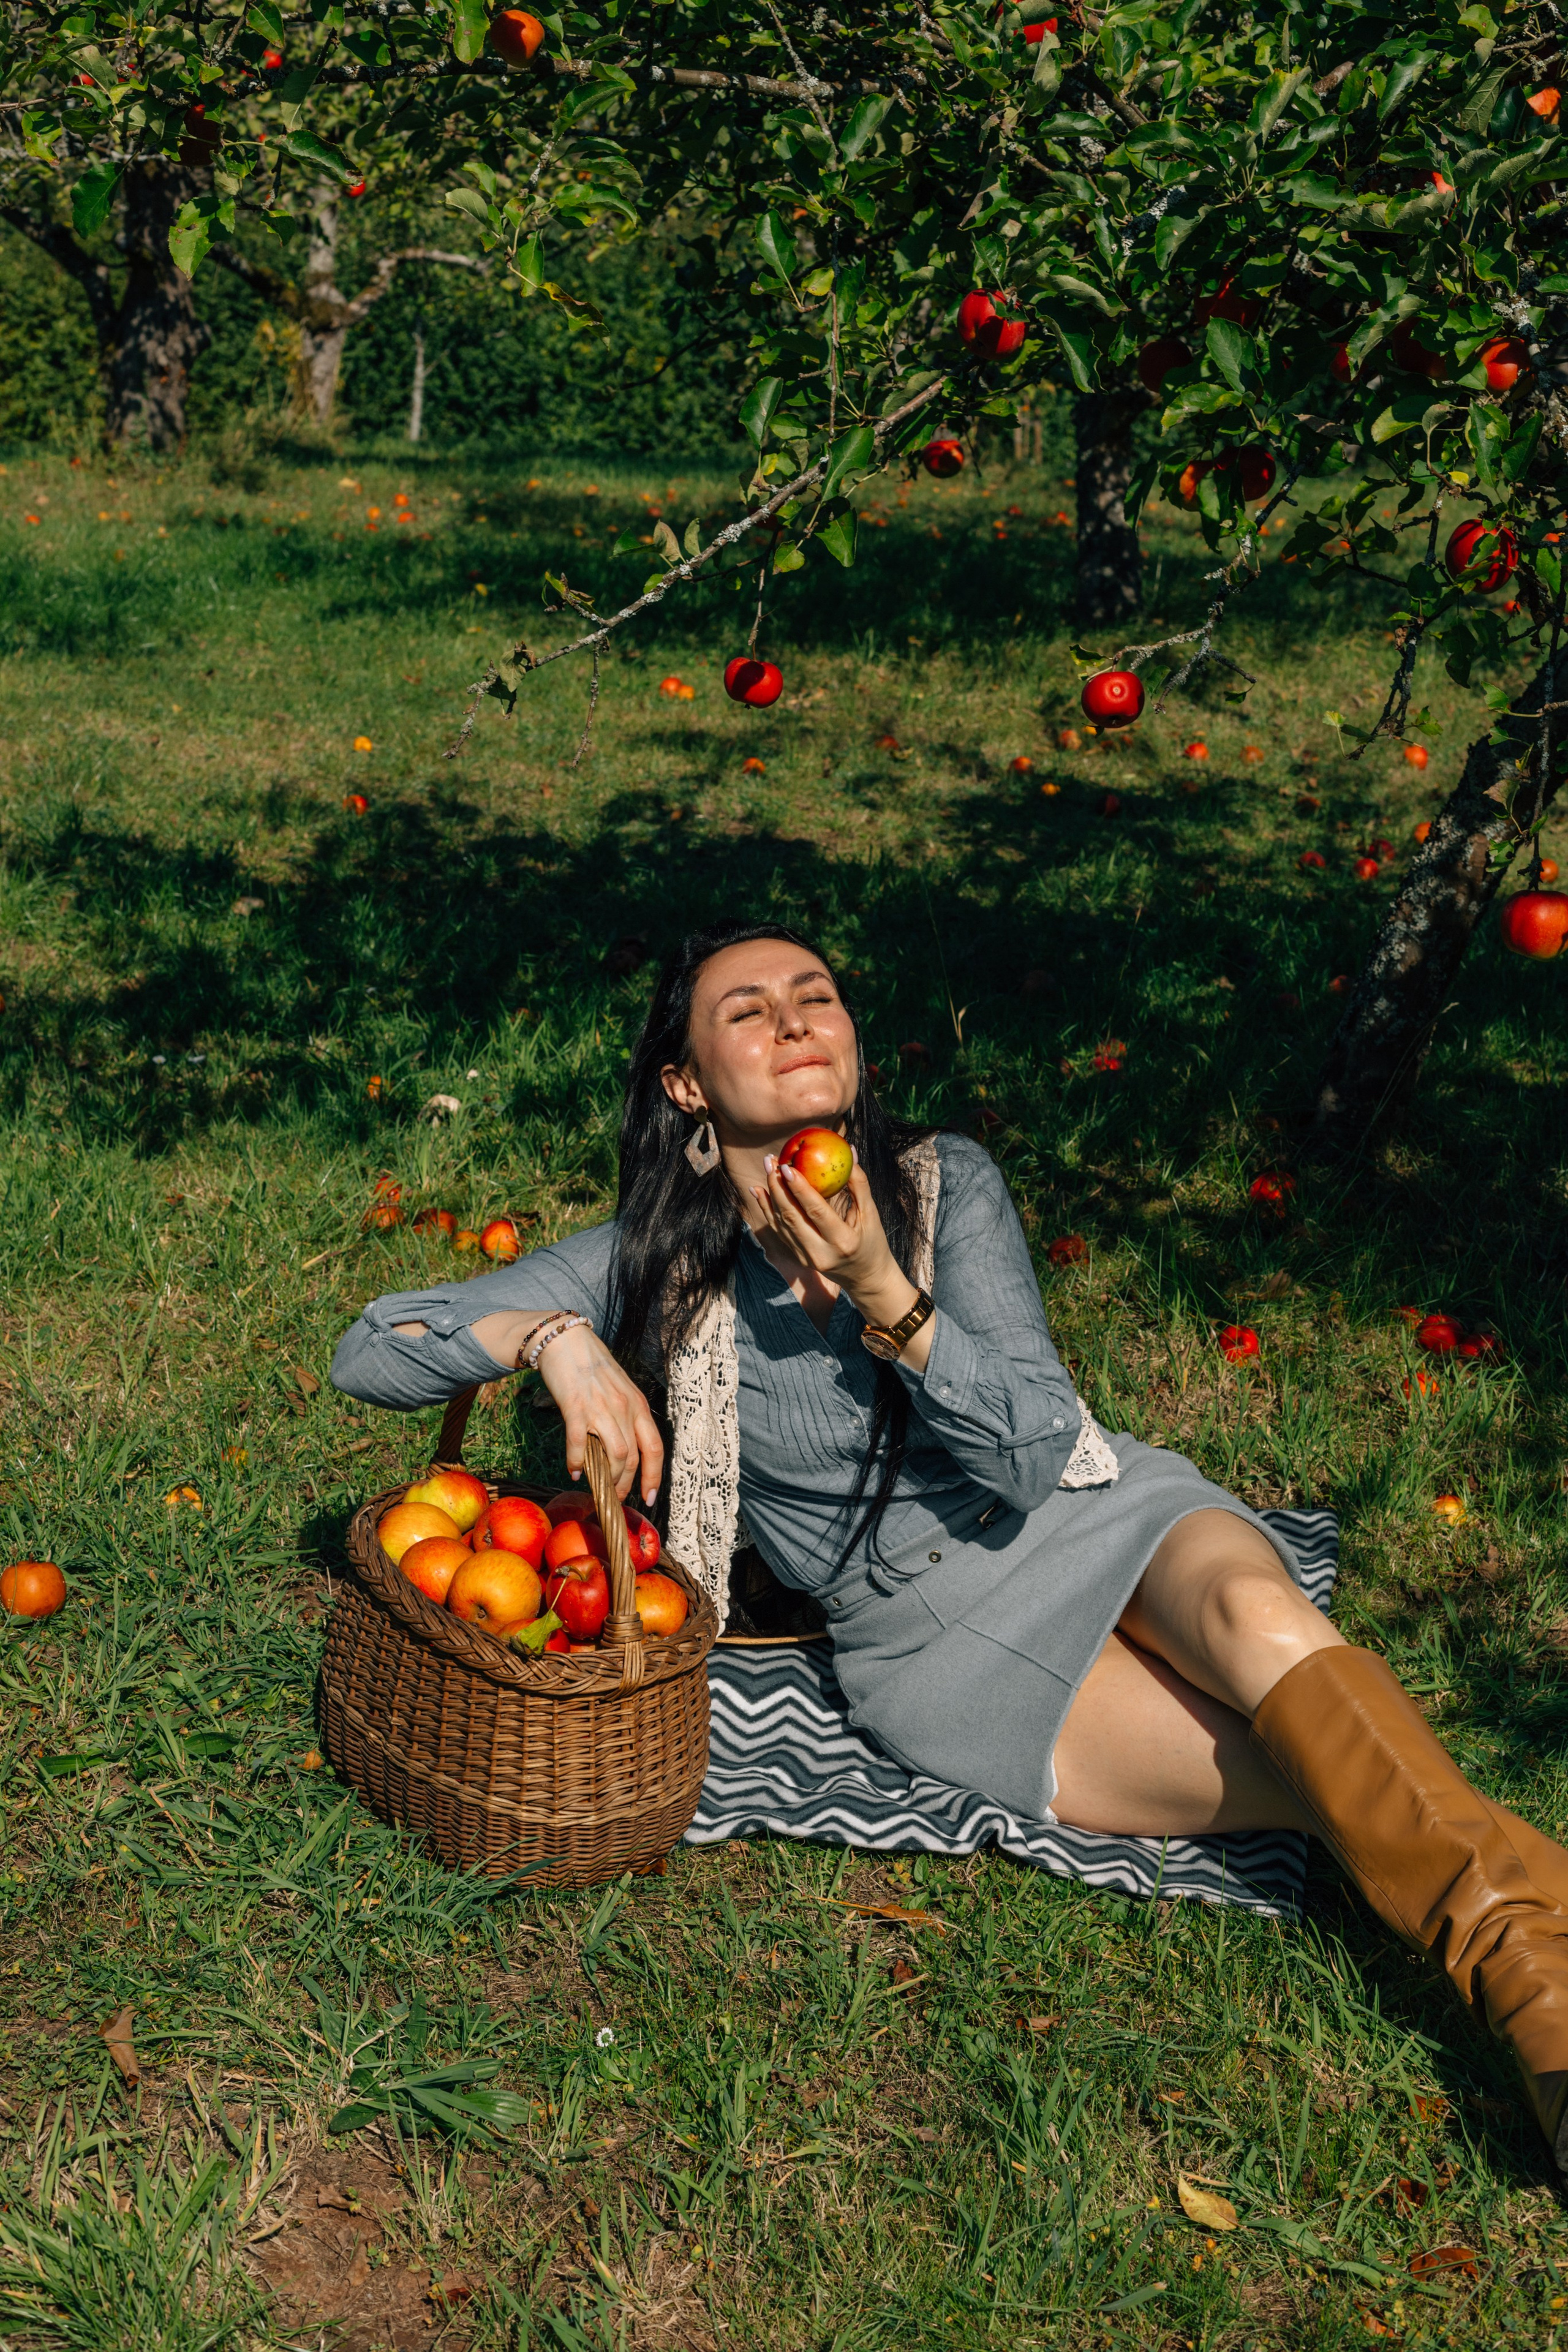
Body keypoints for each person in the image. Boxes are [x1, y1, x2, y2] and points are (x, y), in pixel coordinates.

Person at [333, 919, 1568, 2173]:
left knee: (1262, 1630)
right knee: (1312, 1778)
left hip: (1092, 1511)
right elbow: (372, 1347)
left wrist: (888, 1296)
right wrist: (554, 1339)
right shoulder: (655, 1262)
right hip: (934, 1642)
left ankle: (1541, 2023)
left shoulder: (939, 1186)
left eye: (814, 995)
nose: (795, 1019)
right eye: (747, 1011)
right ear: (686, 1084)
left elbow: (1034, 1450)